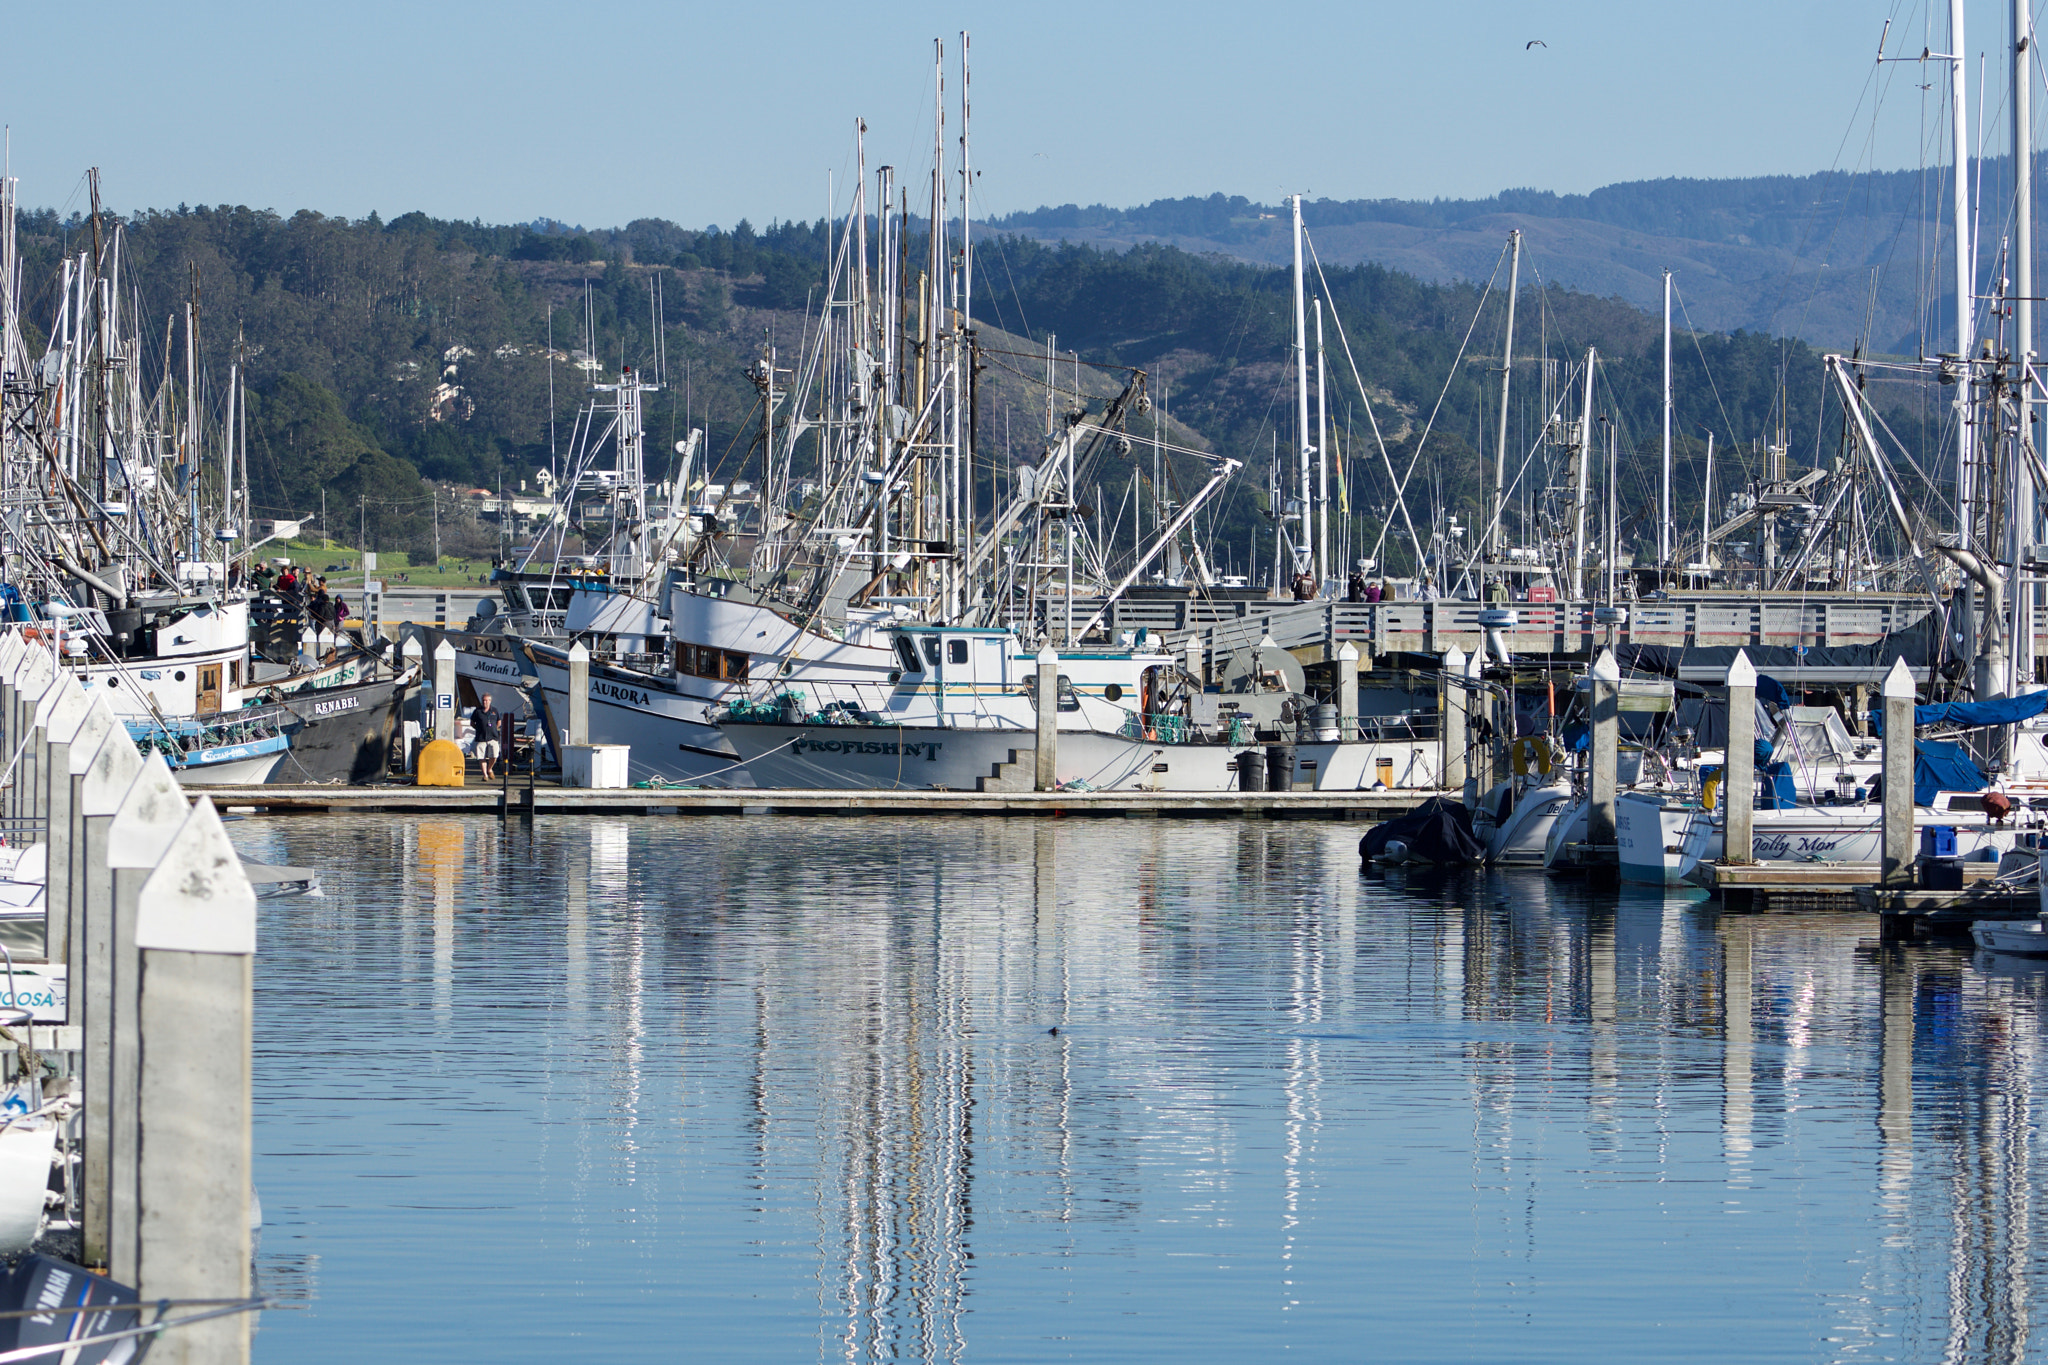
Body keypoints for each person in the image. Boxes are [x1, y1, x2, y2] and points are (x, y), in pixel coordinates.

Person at [471, 693, 502, 781]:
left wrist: (494, 729)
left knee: (494, 755)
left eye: (486, 700)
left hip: (493, 736)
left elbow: (499, 721)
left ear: (490, 701)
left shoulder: (494, 710)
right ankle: (485, 775)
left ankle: (489, 769)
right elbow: (472, 722)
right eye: (483, 700)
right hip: (481, 737)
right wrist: (478, 729)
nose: (485, 702)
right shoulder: (477, 711)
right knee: (481, 756)